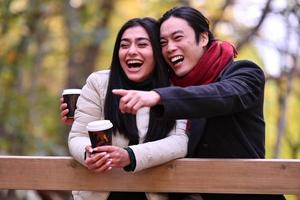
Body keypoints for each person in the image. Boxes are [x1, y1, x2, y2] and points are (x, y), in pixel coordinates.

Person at [112, 6, 286, 200]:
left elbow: (221, 95)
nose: (170, 48)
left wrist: (160, 97)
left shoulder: (244, 73)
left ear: (203, 38)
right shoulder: (168, 85)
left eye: (177, 38)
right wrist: (77, 115)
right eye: (163, 42)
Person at [65, 17, 188, 200]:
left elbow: (179, 142)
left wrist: (130, 156)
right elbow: (78, 136)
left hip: (153, 192)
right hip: (99, 192)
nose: (131, 51)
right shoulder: (99, 83)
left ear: (157, 51)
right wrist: (88, 154)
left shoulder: (174, 89)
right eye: (124, 45)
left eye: (142, 44)